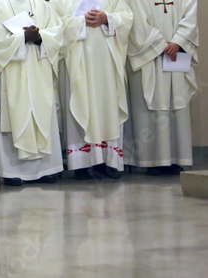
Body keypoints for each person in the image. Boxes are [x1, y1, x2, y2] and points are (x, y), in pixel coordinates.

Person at [0, 0, 64, 186]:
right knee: (14, 113)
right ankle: (12, 171)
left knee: (42, 112)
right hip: (11, 70)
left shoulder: (42, 5)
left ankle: (46, 169)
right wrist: (22, 37)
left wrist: (40, 37)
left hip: (39, 67)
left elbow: (57, 32)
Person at [50, 0, 133, 179]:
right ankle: (81, 163)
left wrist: (106, 18)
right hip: (77, 60)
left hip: (106, 61)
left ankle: (107, 161)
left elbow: (127, 19)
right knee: (80, 102)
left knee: (106, 106)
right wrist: (80, 21)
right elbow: (54, 25)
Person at [124, 0, 198, 175]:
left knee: (176, 103)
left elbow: (190, 16)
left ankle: (175, 158)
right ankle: (151, 160)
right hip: (150, 56)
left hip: (176, 53)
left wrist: (178, 41)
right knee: (150, 103)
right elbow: (136, 21)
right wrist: (160, 44)